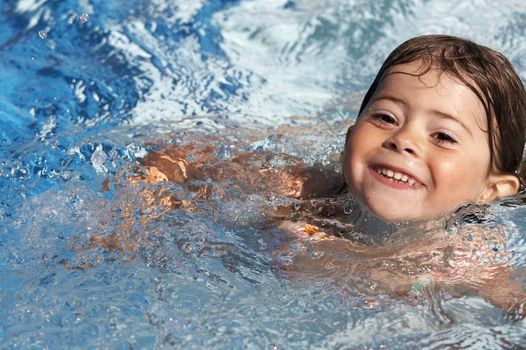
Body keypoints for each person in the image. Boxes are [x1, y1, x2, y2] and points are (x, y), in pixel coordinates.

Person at [98, 35, 526, 316]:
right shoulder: (301, 190)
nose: (403, 140)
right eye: (385, 116)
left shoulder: (472, 263)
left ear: (492, 188)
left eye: (443, 136)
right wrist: (124, 221)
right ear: (349, 138)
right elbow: (178, 156)